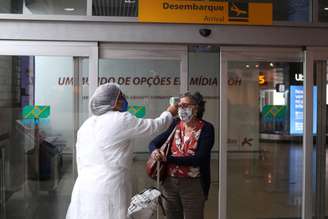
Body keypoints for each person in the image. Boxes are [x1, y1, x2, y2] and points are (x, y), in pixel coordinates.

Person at [66, 83, 177, 219]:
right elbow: (155, 126)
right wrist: (170, 112)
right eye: (121, 97)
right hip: (110, 185)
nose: (125, 99)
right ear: (113, 102)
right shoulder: (121, 119)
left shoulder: (86, 125)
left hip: (84, 185)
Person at [149, 92, 215, 219]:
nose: (180, 109)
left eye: (184, 105)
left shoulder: (206, 128)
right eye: (179, 106)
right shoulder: (175, 124)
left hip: (193, 184)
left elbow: (199, 159)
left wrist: (167, 159)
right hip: (169, 183)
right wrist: (155, 152)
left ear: (196, 108)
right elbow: (153, 143)